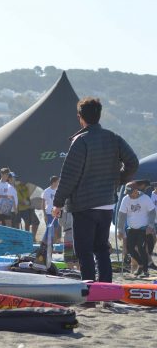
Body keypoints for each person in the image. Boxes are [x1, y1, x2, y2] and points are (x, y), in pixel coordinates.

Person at [52, 97, 138, 283]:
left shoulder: (80, 141)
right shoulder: (113, 138)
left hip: (84, 204)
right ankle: (106, 289)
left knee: (84, 251)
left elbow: (69, 176)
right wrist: (117, 180)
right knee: (101, 249)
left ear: (80, 117)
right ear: (99, 115)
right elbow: (133, 162)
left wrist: (58, 203)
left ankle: (89, 293)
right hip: (107, 204)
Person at [117, 182, 156, 277]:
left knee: (141, 248)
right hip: (131, 228)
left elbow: (152, 212)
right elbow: (121, 215)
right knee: (130, 249)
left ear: (136, 190)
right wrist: (120, 230)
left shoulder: (145, 198)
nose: (129, 195)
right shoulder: (126, 199)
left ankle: (146, 271)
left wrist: (150, 226)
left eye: (131, 193)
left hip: (143, 228)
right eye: (128, 193)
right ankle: (141, 265)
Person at [42, 176, 61, 243]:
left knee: (56, 229)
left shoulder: (58, 191)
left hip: (56, 213)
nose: (59, 183)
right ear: (54, 182)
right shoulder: (46, 191)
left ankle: (54, 245)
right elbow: (43, 204)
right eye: (58, 182)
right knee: (50, 229)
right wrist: (44, 215)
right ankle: (45, 243)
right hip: (49, 213)